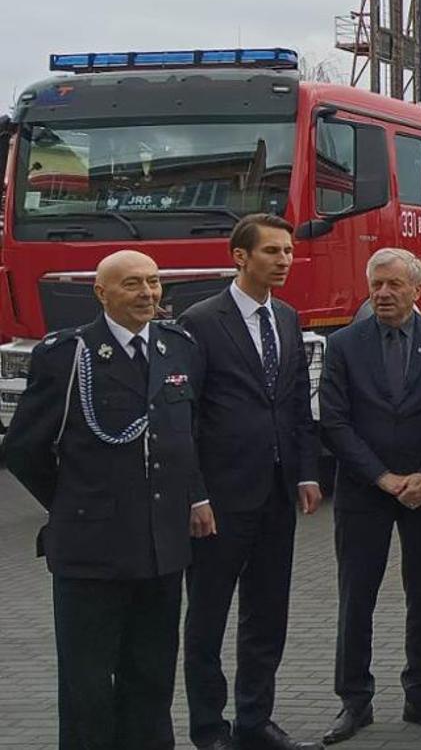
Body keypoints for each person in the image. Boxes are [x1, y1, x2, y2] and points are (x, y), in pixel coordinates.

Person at [0, 250, 211, 750]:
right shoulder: (68, 355)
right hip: (91, 551)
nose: (147, 294)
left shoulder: (178, 347)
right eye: (132, 284)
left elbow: (186, 437)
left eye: (154, 283)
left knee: (152, 676)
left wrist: (196, 497)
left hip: (161, 547)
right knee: (88, 684)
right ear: (102, 293)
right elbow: (24, 448)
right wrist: (72, 502)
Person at [177, 214, 322, 750]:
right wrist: (196, 493)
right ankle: (209, 729)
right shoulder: (200, 321)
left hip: (277, 494)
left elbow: (295, 404)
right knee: (208, 621)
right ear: (240, 257)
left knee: (266, 615)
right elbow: (184, 418)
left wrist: (306, 471)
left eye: (287, 251)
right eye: (272, 252)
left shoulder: (285, 317)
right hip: (219, 500)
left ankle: (255, 720)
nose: (284, 259)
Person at [318, 249, 421, 743]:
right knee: (356, 598)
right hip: (365, 492)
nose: (382, 294)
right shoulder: (344, 344)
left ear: (416, 290)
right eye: (376, 285)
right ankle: (354, 702)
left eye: (393, 286)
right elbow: (334, 421)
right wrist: (382, 478)